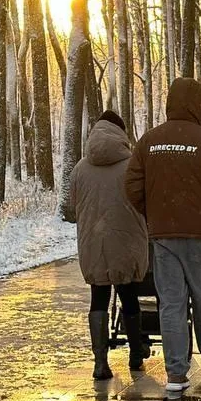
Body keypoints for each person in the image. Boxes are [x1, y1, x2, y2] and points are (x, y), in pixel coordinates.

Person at [125, 78, 201, 393]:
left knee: (171, 303)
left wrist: (154, 213)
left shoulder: (148, 142)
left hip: (163, 237)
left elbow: (132, 187)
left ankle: (176, 373)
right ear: (199, 107)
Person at [63, 111, 150, 381]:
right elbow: (144, 201)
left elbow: (71, 209)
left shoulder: (80, 168)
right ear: (121, 133)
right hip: (127, 241)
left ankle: (100, 362)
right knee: (129, 295)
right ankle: (136, 353)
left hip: (94, 243)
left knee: (98, 297)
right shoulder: (133, 165)